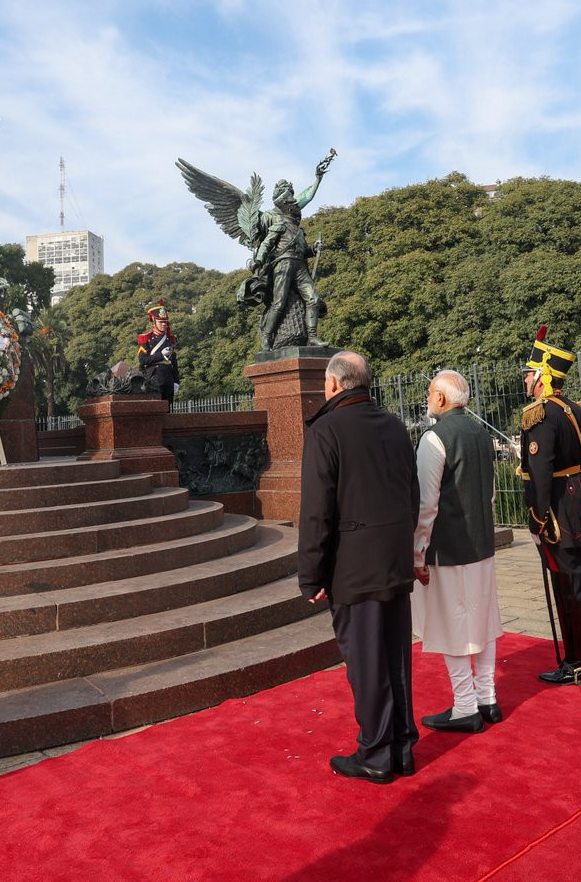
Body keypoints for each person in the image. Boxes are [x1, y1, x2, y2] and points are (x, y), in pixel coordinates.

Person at [298, 350, 420, 783]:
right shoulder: (394, 424)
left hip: (353, 565)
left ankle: (376, 752)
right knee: (395, 655)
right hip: (393, 558)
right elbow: (412, 493)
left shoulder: (326, 429)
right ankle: (401, 747)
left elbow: (317, 510)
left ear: (333, 384)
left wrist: (311, 573)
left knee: (367, 661)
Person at [413, 370, 503, 734]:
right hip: (482, 543)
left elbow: (425, 504)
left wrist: (417, 552)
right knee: (483, 620)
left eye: (430, 393)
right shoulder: (481, 432)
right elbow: (491, 493)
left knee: (453, 624)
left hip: (449, 547)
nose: (427, 399)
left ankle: (466, 704)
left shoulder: (434, 437)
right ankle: (488, 697)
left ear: (440, 398)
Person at [519, 326, 581, 686]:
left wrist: (537, 517)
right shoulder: (575, 409)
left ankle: (578, 663)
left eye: (529, 373)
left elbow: (540, 473)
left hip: (556, 508)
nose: (526, 379)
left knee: (568, 583)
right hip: (578, 499)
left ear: (543, 376)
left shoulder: (540, 414)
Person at [252, 155, 334, 350]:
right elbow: (266, 244)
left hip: (299, 265)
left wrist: (313, 249)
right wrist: (258, 260)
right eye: (293, 203)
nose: (297, 205)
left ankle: (312, 337)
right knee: (279, 303)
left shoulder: (298, 229)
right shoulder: (277, 223)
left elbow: (303, 250)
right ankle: (267, 335)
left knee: (313, 299)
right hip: (283, 265)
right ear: (286, 205)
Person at [136, 299, 180, 401]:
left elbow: (174, 362)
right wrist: (161, 354)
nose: (164, 324)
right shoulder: (146, 338)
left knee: (168, 407)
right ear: (153, 322)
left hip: (169, 377)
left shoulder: (170, 339)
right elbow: (143, 360)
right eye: (161, 322)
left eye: (165, 322)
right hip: (154, 376)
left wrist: (176, 381)